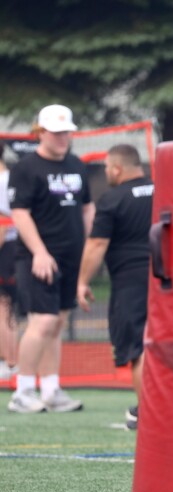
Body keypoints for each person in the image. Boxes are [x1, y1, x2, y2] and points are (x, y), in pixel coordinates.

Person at [7, 104, 94, 413]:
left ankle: (51, 389)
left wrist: (88, 250)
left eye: (66, 132)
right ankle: (23, 391)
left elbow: (86, 208)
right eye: (56, 133)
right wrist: (40, 252)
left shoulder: (76, 165)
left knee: (57, 322)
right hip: (37, 258)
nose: (62, 138)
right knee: (41, 321)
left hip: (71, 256)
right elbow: (20, 213)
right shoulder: (26, 168)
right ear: (40, 132)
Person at [76, 145, 153, 429]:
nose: (106, 171)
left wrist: (83, 281)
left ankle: (149, 411)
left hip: (130, 282)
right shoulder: (165, 191)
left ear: (118, 168)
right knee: (168, 344)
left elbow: (96, 244)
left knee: (137, 347)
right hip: (170, 280)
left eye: (108, 167)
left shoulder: (111, 199)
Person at [0, 143, 19, 380]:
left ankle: (12, 362)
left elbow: (3, 226)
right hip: (9, 250)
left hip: (6, 251)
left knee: (4, 307)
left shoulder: (4, 181)